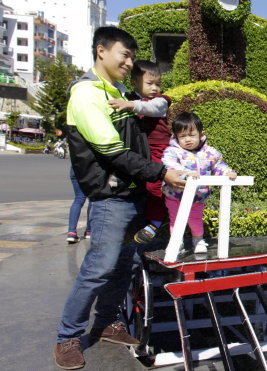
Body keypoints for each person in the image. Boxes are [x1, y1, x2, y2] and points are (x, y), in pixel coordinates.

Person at [54, 26, 186, 370]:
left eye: (131, 56)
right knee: (98, 268)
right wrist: (161, 173)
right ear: (101, 51)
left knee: (124, 266)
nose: (129, 62)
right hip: (111, 197)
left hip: (133, 194)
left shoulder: (117, 91)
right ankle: (67, 337)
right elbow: (111, 151)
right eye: (124, 55)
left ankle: (107, 323)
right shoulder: (86, 93)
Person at [106, 60, 171, 244]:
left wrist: (130, 105)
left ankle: (156, 223)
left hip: (160, 150)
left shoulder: (161, 101)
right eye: (149, 83)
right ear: (134, 82)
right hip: (140, 151)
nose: (155, 88)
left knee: (154, 185)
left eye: (158, 84)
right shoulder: (127, 97)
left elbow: (151, 108)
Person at [162, 112, 237, 254]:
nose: (188, 139)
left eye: (192, 135)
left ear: (200, 134)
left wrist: (227, 173)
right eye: (183, 136)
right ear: (176, 137)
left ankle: (198, 240)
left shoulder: (210, 153)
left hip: (198, 196)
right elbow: (169, 165)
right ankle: (177, 242)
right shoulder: (172, 151)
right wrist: (185, 173)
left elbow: (219, 166)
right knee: (176, 220)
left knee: (195, 219)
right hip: (175, 194)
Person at [66, 167, 91, 243]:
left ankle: (71, 232)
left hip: (75, 169)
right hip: (89, 170)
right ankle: (89, 231)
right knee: (92, 200)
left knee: (78, 199)